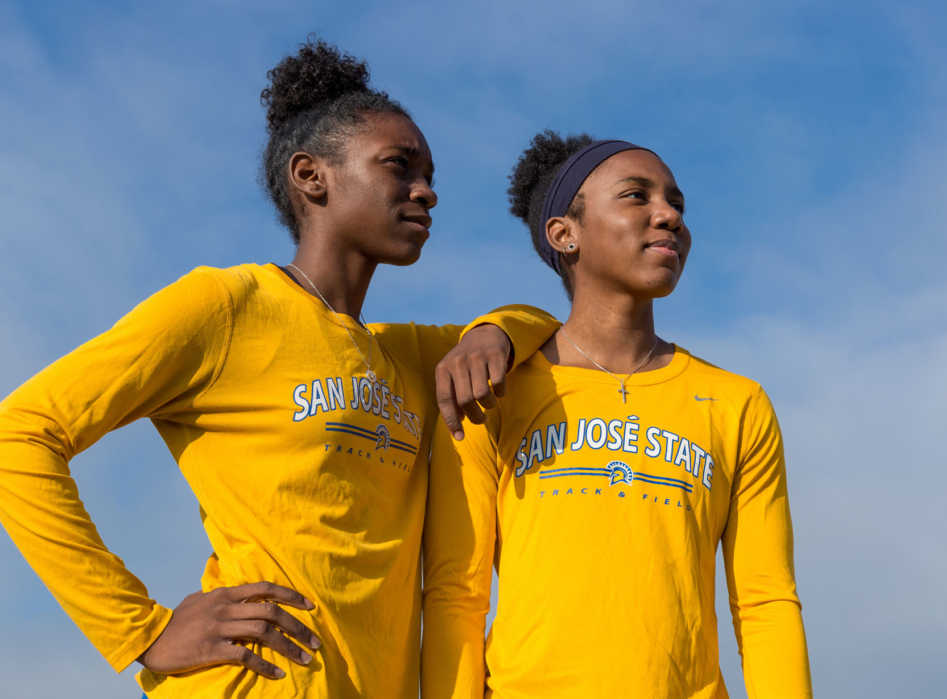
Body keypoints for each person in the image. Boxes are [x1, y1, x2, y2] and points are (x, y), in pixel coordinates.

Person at [0, 40, 558, 698]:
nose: (427, 191)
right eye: (399, 166)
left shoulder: (410, 355)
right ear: (311, 175)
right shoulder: (226, 306)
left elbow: (547, 325)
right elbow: (19, 433)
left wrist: (495, 328)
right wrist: (139, 629)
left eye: (431, 173)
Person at [422, 131, 813, 698]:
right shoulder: (490, 391)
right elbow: (457, 591)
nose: (668, 216)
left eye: (676, 204)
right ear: (565, 233)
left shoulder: (736, 403)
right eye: (637, 196)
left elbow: (765, 601)